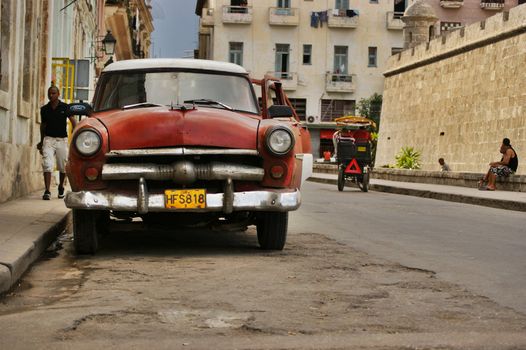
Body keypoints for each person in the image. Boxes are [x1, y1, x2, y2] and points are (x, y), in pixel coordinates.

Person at [36, 86, 77, 200]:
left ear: (58, 94)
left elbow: (73, 121)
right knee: (47, 164)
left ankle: (61, 187)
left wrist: (75, 136)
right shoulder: (44, 109)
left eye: (53, 93)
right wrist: (41, 141)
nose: (51, 95)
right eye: (49, 93)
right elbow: (43, 126)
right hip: (48, 140)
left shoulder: (65, 107)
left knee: (62, 166)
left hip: (61, 140)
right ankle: (47, 191)